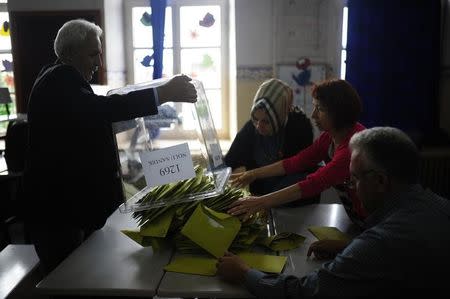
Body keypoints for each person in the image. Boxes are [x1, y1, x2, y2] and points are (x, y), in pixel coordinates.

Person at [23, 19, 197, 274]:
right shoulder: (59, 81)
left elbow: (88, 122)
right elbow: (101, 110)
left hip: (66, 209)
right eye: (93, 54)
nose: (99, 63)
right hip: (59, 214)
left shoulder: (60, 79)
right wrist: (163, 93)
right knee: (69, 280)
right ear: (70, 54)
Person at [217, 127, 450, 297]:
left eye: (355, 179)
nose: (351, 187)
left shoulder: (380, 242)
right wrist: (350, 246)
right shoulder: (440, 206)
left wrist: (245, 273)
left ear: (380, 181)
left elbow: (307, 292)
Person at [228, 79, 367, 227]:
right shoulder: (330, 137)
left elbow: (313, 183)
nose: (313, 115)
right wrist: (253, 174)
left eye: (319, 109)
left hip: (373, 222)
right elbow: (297, 161)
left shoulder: (351, 151)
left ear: (337, 114)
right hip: (359, 218)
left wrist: (260, 202)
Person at [225, 78, 316, 204]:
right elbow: (229, 162)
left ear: (280, 115)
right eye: (256, 119)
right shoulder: (250, 129)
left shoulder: (300, 127)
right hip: (260, 198)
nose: (259, 126)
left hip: (293, 200)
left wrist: (266, 199)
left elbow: (299, 168)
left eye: (266, 121)